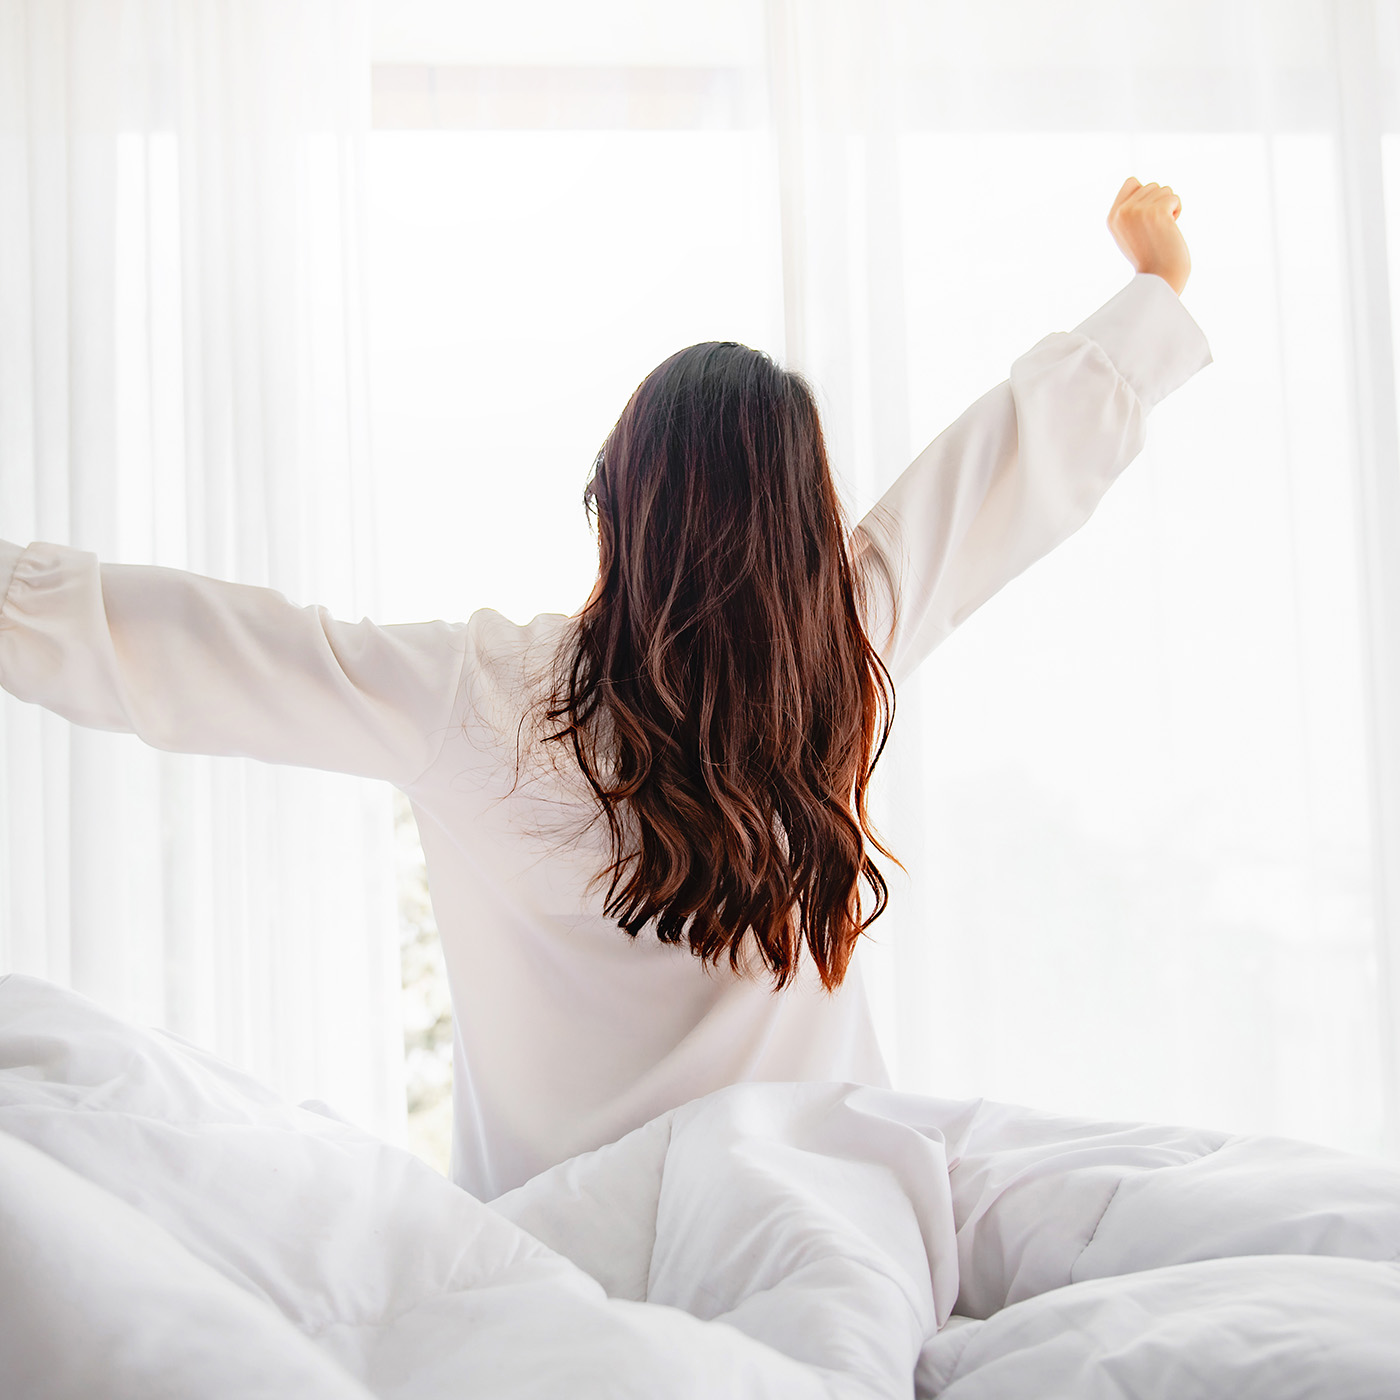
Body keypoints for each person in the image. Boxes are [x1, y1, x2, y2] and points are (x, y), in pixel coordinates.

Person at [0, 177, 1208, 1199]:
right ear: (804, 525)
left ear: (615, 509)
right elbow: (1006, 462)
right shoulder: (840, 645)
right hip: (822, 1216)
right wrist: (1153, 286)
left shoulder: (484, 698)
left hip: (559, 1260)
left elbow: (214, 649)